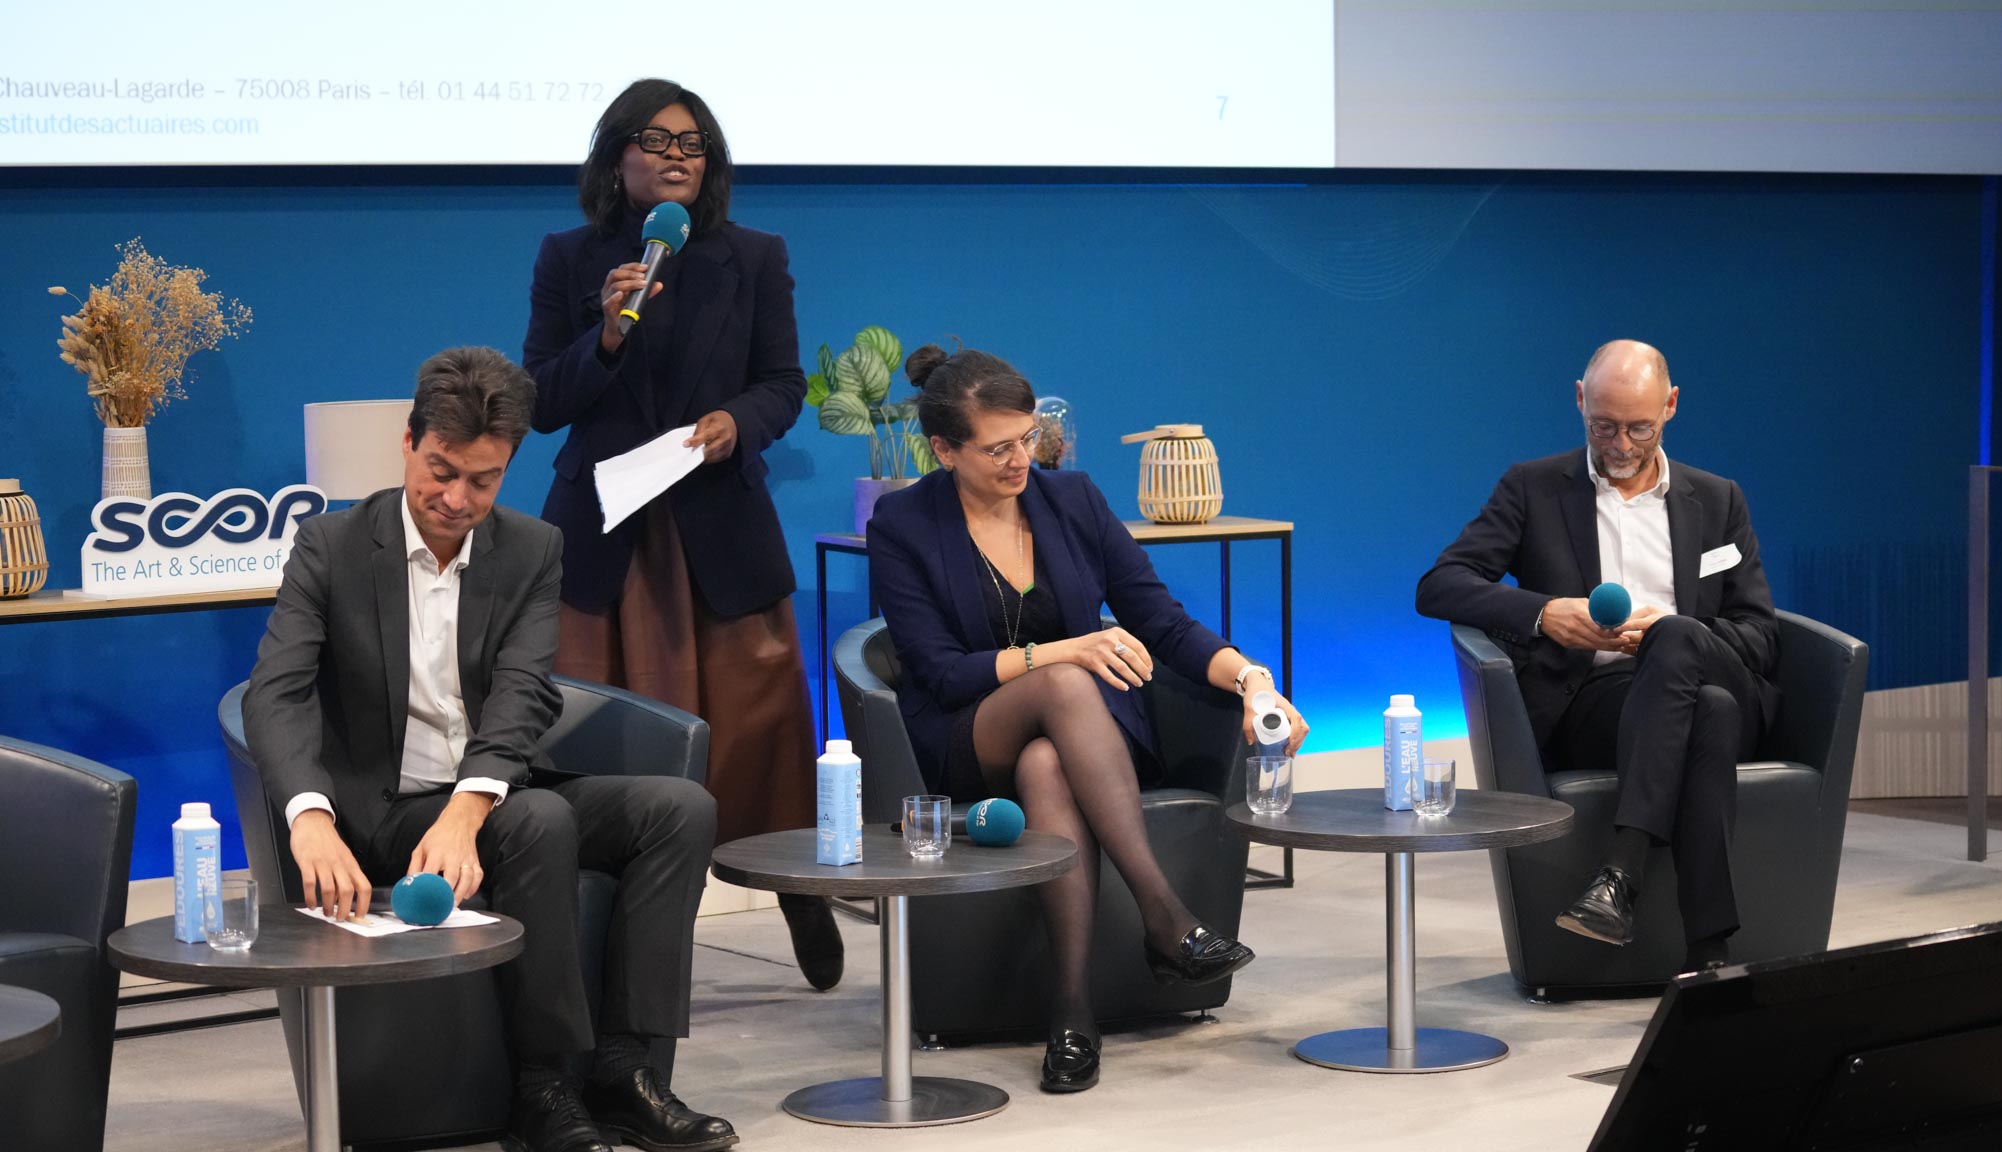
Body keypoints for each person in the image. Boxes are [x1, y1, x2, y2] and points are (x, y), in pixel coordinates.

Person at [243, 347, 735, 1152]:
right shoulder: (331, 546)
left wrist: (469, 808)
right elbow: (275, 690)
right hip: (388, 809)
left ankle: (625, 1072)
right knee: (537, 818)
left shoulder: (531, 548)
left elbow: (522, 691)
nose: (456, 498)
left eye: (483, 480)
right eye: (441, 471)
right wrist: (309, 815)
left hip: (488, 792)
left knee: (678, 809)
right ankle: (543, 1087)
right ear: (409, 442)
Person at [866, 345, 1307, 1093]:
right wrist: (1059, 652)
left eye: (1028, 438)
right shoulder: (903, 522)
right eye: (998, 449)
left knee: (1047, 762)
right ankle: (1164, 916)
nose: (1021, 460)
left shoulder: (1071, 500)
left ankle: (1072, 1013)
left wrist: (1252, 681)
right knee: (1067, 684)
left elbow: (1160, 620)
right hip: (966, 731)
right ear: (943, 450)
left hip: (1084, 741)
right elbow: (939, 672)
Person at [521, 79, 841, 991]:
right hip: (609, 533)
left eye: (693, 144)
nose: (676, 158)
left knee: (758, 728)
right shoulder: (571, 257)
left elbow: (784, 382)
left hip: (718, 526)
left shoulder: (754, 254)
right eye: (656, 141)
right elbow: (542, 401)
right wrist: (606, 336)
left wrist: (740, 422)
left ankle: (794, 885)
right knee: (607, 736)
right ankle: (619, 930)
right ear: (616, 157)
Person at [1415, 339, 1779, 972]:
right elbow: (1439, 585)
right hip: (1600, 704)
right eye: (1603, 426)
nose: (1621, 445)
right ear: (1580, 400)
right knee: (1709, 713)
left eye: (1639, 428)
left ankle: (1620, 874)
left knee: (1678, 640)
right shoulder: (1534, 488)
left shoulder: (1718, 499)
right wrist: (1546, 614)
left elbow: (1759, 635)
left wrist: (1675, 630)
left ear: (1670, 406)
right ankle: (1709, 955)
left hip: (1713, 668)